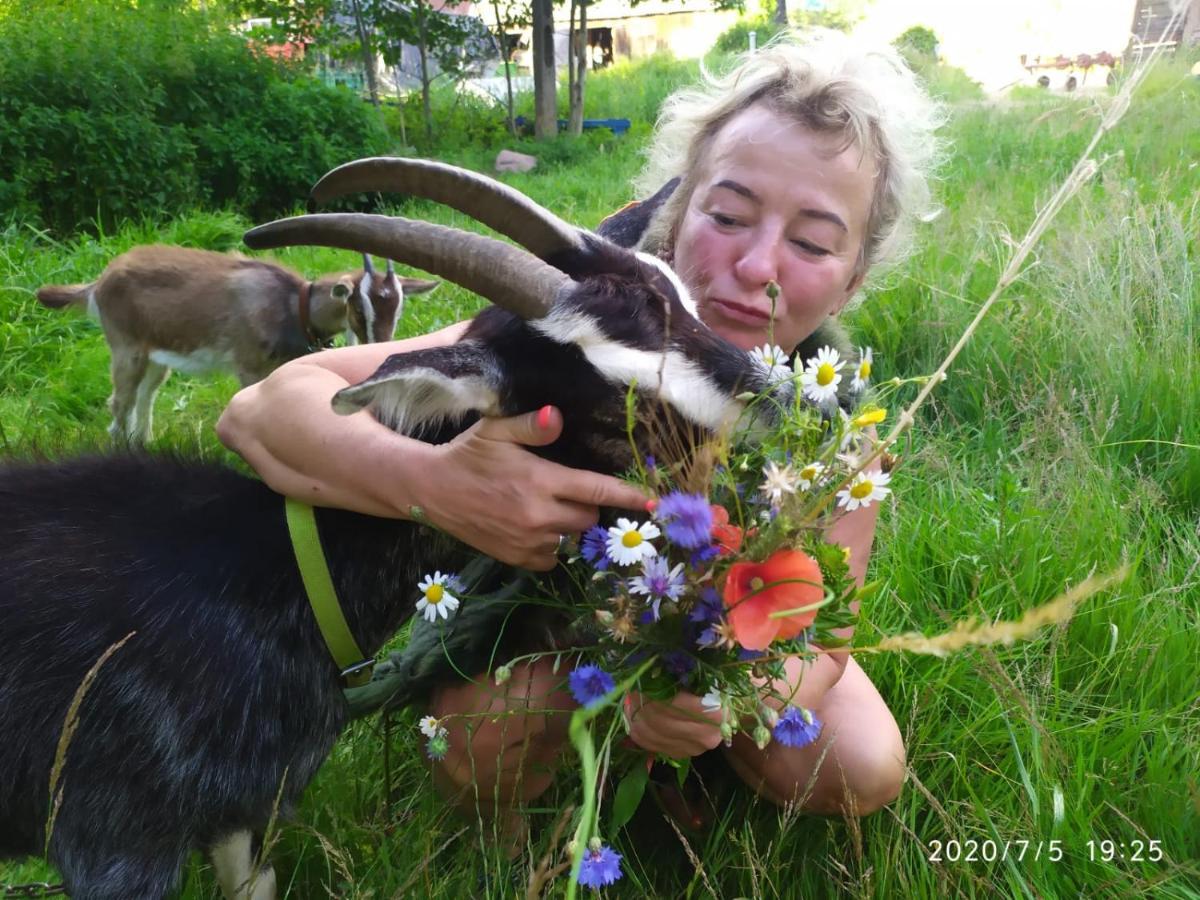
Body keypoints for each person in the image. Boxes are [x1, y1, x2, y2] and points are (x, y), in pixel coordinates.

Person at [217, 30, 943, 844]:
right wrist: (440, 485)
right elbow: (263, 410)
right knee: (477, 742)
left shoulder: (833, 420)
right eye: (729, 215)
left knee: (860, 762)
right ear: (674, 216)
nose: (757, 266)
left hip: (722, 645)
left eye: (812, 242)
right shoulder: (588, 325)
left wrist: (723, 698)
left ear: (856, 276)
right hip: (550, 630)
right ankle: (545, 792)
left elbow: (824, 640)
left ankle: (689, 758)